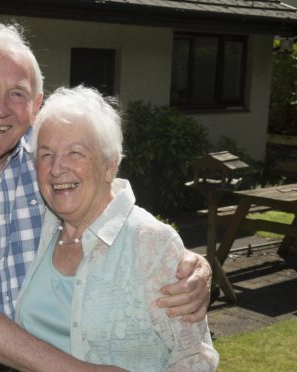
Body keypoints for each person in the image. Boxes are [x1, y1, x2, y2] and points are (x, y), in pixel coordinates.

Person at [0, 21, 213, 371]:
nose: (0, 107)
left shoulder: (45, 156)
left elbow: (106, 200)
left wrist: (182, 264)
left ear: (36, 105)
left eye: (18, 93)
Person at [16, 85, 219, 371]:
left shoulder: (151, 242)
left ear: (110, 166)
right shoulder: (41, 229)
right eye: (46, 155)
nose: (57, 168)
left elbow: (195, 359)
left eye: (75, 153)